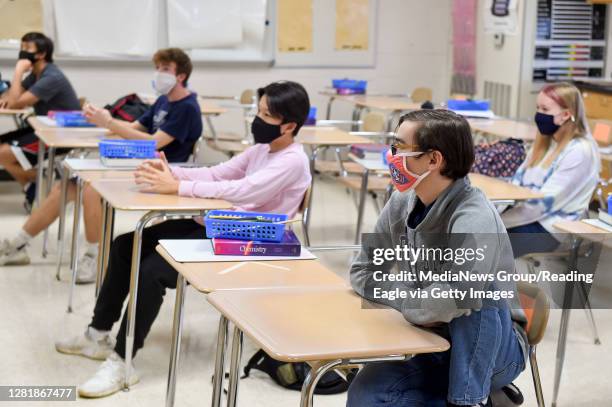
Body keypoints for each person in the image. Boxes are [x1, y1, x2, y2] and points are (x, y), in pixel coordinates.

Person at [54, 80, 312, 398]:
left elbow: (241, 191)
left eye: (265, 115)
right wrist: (172, 173)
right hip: (221, 227)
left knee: (152, 271)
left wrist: (177, 187)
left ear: (289, 125)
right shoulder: (262, 149)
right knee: (126, 244)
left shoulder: (292, 161)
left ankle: (122, 363)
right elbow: (220, 173)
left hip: (249, 240)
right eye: (257, 112)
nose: (256, 120)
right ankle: (97, 333)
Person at [347, 110, 527, 407]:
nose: (392, 157)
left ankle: (470, 398)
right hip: (429, 336)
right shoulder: (402, 201)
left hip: (494, 351)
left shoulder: (475, 217)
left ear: (434, 159)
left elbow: (455, 298)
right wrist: (414, 303)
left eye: (400, 148)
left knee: (476, 296)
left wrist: (420, 305)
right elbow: (362, 272)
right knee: (366, 393)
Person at [0, 48, 202, 283]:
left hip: (163, 172)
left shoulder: (187, 107)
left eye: (165, 69)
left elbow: (155, 142)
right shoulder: (163, 100)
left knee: (92, 189)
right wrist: (101, 119)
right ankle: (18, 244)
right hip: (139, 163)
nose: (159, 74)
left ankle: (93, 257)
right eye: (157, 68)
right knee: (67, 186)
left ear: (181, 76)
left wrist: (110, 123)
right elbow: (135, 128)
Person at [502, 82, 600, 258]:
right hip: (527, 217)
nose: (539, 115)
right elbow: (516, 184)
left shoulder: (579, 151)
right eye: (538, 108)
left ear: (566, 114)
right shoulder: (546, 142)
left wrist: (499, 220)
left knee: (481, 248)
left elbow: (544, 202)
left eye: (545, 110)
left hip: (551, 227)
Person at [0, 32, 80, 208]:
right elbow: (10, 97)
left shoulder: (51, 77)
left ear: (41, 54)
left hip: (61, 135)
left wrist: (18, 70)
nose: (22, 53)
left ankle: (36, 180)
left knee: (2, 153)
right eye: (21, 48)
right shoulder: (36, 74)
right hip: (43, 128)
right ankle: (32, 185)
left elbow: (15, 103)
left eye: (27, 49)